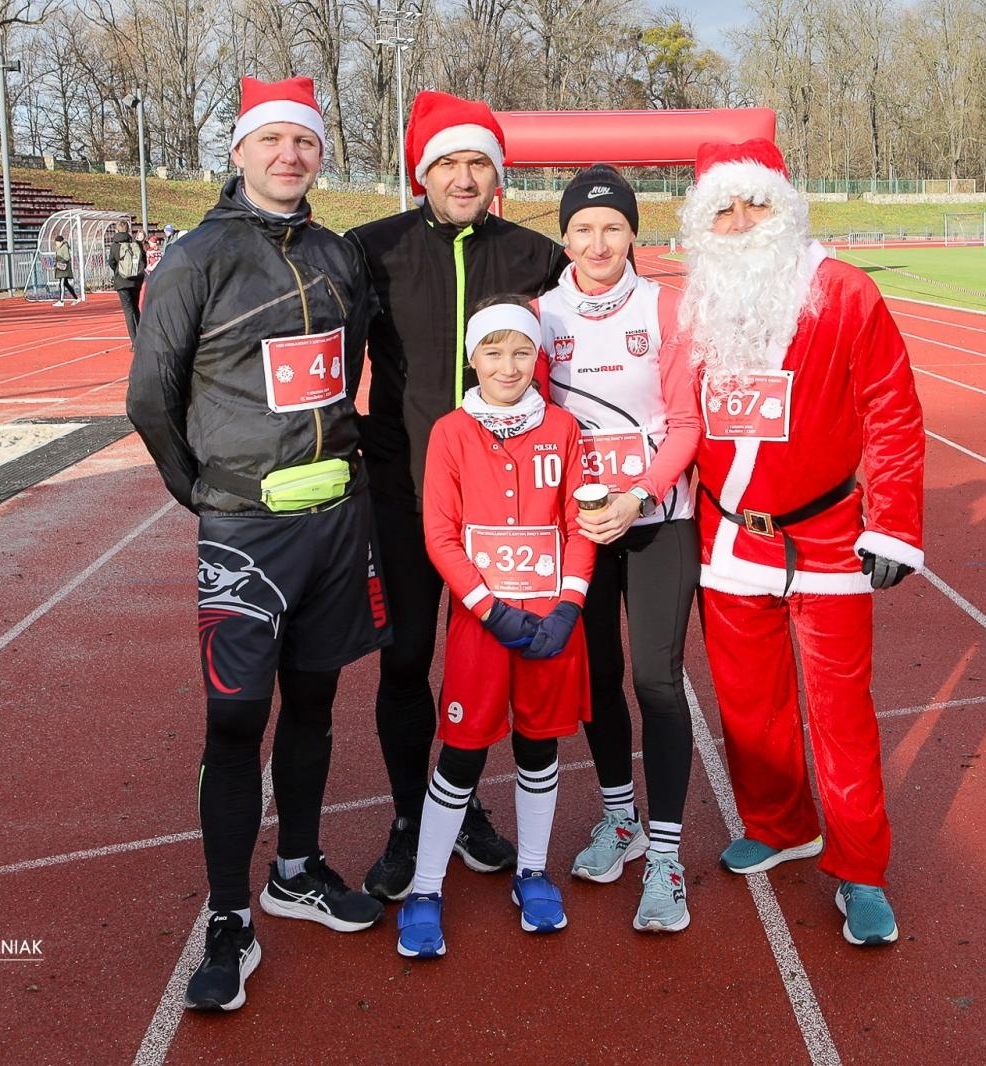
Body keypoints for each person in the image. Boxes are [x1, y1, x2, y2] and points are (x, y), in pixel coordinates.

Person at [127, 74, 389, 1013]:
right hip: (245, 528)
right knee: (236, 719)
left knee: (315, 706)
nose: (290, 155)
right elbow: (149, 398)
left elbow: (347, 365)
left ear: (320, 154)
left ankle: (298, 869)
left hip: (335, 523)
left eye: (305, 142)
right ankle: (230, 915)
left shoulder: (336, 253)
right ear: (238, 152)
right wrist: (199, 492)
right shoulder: (196, 256)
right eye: (271, 140)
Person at [676, 139, 924, 947]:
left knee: (842, 717)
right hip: (727, 537)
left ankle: (859, 870)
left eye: (756, 204)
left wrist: (891, 520)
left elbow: (891, 409)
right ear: (702, 224)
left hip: (828, 537)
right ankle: (779, 823)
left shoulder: (845, 292)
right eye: (723, 208)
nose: (742, 222)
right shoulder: (694, 302)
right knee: (748, 706)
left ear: (786, 207)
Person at [346, 90, 566, 902]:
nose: (464, 176)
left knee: (492, 663)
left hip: (509, 511)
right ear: (421, 173)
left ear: (496, 174)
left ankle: (465, 809)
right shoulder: (373, 249)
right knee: (406, 659)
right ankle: (412, 818)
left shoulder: (537, 254)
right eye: (448, 162)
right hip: (406, 494)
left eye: (479, 162)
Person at [396, 296, 594, 959]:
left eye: (520, 352)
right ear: (471, 357)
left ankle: (532, 873)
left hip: (551, 627)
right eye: (492, 351)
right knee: (461, 754)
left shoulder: (564, 428)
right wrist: (490, 608)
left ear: (536, 357)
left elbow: (581, 521)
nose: (507, 366)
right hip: (482, 629)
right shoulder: (452, 431)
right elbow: (439, 535)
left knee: (539, 750)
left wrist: (569, 606)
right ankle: (426, 889)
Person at [534, 164, 703, 931]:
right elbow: (534, 419)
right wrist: (576, 507)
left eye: (611, 227)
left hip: (660, 516)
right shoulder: (541, 315)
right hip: (582, 523)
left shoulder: (667, 306)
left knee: (657, 681)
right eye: (582, 229)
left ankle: (665, 855)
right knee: (597, 676)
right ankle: (620, 819)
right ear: (563, 237)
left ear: (633, 232)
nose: (597, 242)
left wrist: (639, 494)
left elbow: (687, 424)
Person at [106, 220, 147, 339]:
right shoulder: (136, 244)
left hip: (122, 281)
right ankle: (142, 338)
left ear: (117, 230)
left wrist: (119, 271)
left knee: (128, 311)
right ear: (128, 230)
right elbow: (143, 260)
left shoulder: (114, 246)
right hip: (136, 280)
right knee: (136, 309)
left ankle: (134, 341)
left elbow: (111, 263)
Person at [52, 234, 79, 305]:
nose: (56, 243)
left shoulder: (64, 247)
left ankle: (61, 301)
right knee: (66, 284)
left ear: (61, 242)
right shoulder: (58, 248)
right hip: (60, 268)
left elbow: (67, 257)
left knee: (61, 284)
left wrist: (60, 262)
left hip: (64, 269)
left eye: (57, 242)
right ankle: (76, 298)